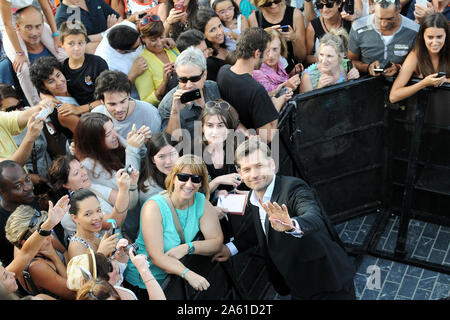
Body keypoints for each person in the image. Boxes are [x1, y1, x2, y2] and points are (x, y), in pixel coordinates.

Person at [212, 139, 356, 300]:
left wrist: (291, 225)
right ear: (240, 174)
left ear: (272, 164)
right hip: (298, 285)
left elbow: (314, 216)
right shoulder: (254, 196)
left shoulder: (293, 188)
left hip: (329, 282)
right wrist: (231, 248)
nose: (254, 174)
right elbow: (262, 227)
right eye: (247, 169)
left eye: (259, 165)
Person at [123, 154, 223, 299]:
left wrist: (187, 247)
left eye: (196, 179)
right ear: (173, 178)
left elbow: (216, 242)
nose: (189, 184)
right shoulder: (154, 207)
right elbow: (156, 256)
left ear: (201, 183)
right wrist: (188, 274)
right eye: (183, 177)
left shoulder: (201, 202)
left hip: (175, 281)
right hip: (147, 283)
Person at [73, 112, 143, 241]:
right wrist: (132, 149)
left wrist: (140, 141)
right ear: (94, 142)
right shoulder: (89, 166)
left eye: (113, 129)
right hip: (130, 221)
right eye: (108, 134)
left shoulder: (113, 142)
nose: (115, 135)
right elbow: (128, 187)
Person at [217, 27, 293, 144]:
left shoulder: (224, 71)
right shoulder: (256, 90)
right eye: (267, 52)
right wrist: (277, 105)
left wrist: (272, 93)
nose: (268, 57)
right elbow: (267, 137)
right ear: (257, 53)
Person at [47, 154, 135, 245]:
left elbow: (129, 203)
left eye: (82, 167)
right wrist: (123, 190)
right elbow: (113, 223)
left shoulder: (91, 187)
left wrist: (133, 185)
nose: (84, 173)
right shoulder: (69, 211)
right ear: (65, 185)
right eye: (76, 173)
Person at [0, 194, 69, 299]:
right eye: (5, 276)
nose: (13, 274)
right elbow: (73, 293)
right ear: (25, 242)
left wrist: (49, 224)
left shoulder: (37, 239)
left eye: (50, 230)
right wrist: (53, 255)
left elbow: (64, 251)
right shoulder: (36, 266)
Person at [0, 2, 65, 106]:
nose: (35, 33)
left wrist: (55, 34)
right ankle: (38, 108)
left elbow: (46, 8)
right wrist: (19, 52)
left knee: (62, 52)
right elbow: (8, 24)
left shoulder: (37, 24)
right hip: (11, 26)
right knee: (23, 68)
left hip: (32, 17)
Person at [158, 46, 221, 140]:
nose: (188, 85)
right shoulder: (168, 105)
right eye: (182, 80)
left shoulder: (214, 88)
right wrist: (175, 112)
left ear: (204, 74)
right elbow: (172, 143)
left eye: (194, 79)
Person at [347, 0, 419, 77]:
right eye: (379, 18)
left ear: (399, 9)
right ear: (374, 9)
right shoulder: (358, 27)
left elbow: (420, 64)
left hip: (401, 81)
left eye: (389, 19)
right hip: (365, 81)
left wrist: (399, 67)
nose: (383, 24)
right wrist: (367, 67)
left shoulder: (414, 30)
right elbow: (351, 61)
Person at [389, 12, 449, 103]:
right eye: (430, 37)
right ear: (422, 36)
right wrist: (423, 83)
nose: (435, 42)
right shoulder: (415, 56)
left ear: (446, 36)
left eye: (439, 37)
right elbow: (393, 96)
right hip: (425, 110)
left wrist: (446, 81)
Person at [0, 84, 54, 180]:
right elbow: (11, 166)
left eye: (19, 105)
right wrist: (30, 137)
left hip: (50, 174)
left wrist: (44, 105)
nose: (16, 111)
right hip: (20, 186)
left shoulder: (6, 118)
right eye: (10, 110)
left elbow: (50, 142)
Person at [92, 70, 161, 139]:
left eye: (122, 102)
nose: (119, 109)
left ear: (128, 95)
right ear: (102, 101)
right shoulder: (96, 117)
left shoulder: (150, 113)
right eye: (112, 104)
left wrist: (148, 143)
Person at [58, 20, 108, 108]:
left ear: (86, 42)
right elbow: (45, 90)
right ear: (62, 44)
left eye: (80, 43)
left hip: (99, 109)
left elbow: (107, 97)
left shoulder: (98, 64)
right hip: (74, 111)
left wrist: (79, 109)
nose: (76, 48)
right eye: (71, 44)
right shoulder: (61, 69)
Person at [29, 56, 84, 135]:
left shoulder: (72, 85)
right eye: (51, 81)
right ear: (43, 86)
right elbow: (87, 134)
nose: (59, 82)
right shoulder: (62, 111)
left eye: (58, 75)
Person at [248, 0, 307, 73]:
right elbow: (253, 55)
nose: (273, 5)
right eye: (268, 4)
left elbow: (301, 57)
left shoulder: (295, 14)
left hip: (291, 69)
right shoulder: (254, 18)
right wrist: (264, 34)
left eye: (277, 1)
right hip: (265, 73)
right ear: (260, 4)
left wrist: (294, 39)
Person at [135, 14, 180, 106]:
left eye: (161, 37)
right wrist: (164, 83)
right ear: (143, 39)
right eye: (153, 40)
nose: (159, 43)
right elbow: (146, 102)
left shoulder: (171, 47)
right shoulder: (142, 63)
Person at [67, 189, 121, 260]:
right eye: (88, 214)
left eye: (98, 210)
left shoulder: (95, 233)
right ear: (75, 218)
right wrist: (101, 253)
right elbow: (89, 271)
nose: (97, 217)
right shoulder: (76, 247)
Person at [301, 28, 360, 92]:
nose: (323, 61)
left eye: (329, 56)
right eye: (321, 55)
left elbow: (355, 96)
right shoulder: (308, 77)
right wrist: (319, 89)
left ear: (341, 56)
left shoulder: (348, 66)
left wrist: (355, 80)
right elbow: (304, 102)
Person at [252, 28, 302, 95]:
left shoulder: (279, 63)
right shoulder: (257, 73)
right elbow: (266, 100)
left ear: (281, 48)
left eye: (275, 49)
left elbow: (282, 80)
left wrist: (292, 74)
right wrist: (286, 87)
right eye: (267, 50)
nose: (271, 55)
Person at [137, 132, 180, 206]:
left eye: (172, 154)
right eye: (161, 156)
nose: (169, 162)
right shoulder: (151, 192)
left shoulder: (187, 171)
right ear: (153, 160)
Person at [55, 0, 121, 47]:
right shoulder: (62, 18)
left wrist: (90, 38)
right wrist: (110, 32)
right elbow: (83, 47)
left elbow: (120, 20)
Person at [305, 0, 352, 65]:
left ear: (339, 3)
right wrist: (326, 58)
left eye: (329, 5)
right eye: (320, 6)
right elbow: (307, 57)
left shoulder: (349, 22)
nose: (324, 10)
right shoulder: (313, 26)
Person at [193, 9, 228, 81]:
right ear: (203, 35)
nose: (220, 32)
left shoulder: (229, 40)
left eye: (220, 26)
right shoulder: (208, 61)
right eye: (213, 30)